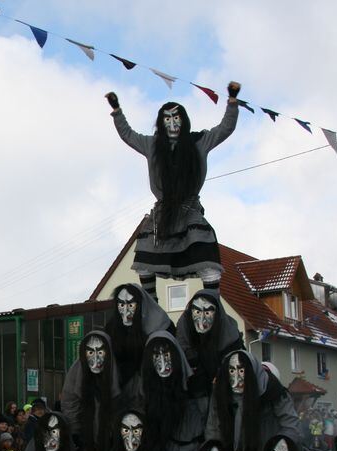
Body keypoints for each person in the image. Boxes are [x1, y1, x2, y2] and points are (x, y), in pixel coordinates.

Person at [105, 82, 241, 298]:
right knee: (144, 261)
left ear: (183, 121)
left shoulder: (199, 142)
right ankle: (152, 308)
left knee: (209, 264)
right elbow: (128, 135)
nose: (172, 123)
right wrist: (117, 111)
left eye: (176, 118)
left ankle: (212, 305)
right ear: (161, 123)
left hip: (190, 212)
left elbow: (225, 128)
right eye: (167, 119)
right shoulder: (152, 145)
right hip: (162, 217)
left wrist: (232, 101)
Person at [139, 331, 204, 451]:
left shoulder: (195, 394)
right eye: (156, 356)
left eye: (166, 355)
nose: (162, 361)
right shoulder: (142, 396)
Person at [63, 331, 121, 451]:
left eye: (100, 351)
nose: (95, 357)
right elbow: (69, 402)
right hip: (86, 440)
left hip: (111, 441)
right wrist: (76, 432)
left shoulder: (117, 372)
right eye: (90, 352)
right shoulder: (77, 372)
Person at [176, 288, 245, 408]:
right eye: (197, 312)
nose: (202, 320)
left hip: (226, 397)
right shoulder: (185, 329)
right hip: (193, 398)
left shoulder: (230, 337)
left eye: (207, 312)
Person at [104, 283, 174, 399]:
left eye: (131, 305)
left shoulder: (161, 325)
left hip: (155, 388)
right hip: (122, 388)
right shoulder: (112, 328)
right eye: (121, 304)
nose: (126, 311)